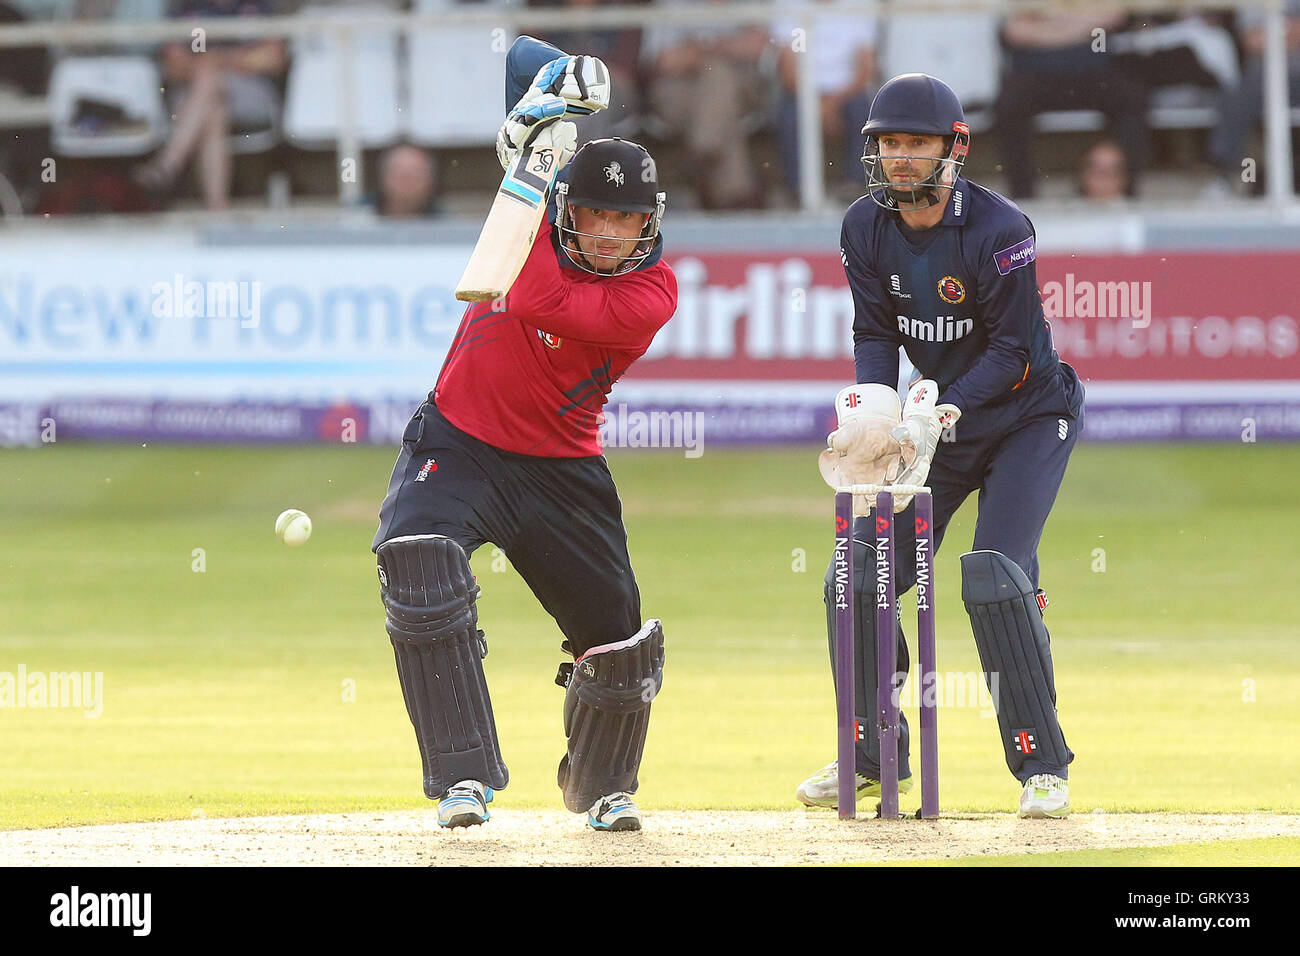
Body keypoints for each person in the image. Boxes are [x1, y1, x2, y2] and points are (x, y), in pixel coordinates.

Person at [371, 37, 677, 833]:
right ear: (570, 208)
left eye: (626, 219)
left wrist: (525, 166)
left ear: (649, 225)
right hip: (458, 440)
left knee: (616, 642)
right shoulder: (533, 206)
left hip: (559, 468)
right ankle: (463, 779)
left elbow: (536, 297)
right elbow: (522, 57)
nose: (608, 233)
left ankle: (604, 786)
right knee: (419, 564)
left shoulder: (650, 294)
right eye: (596, 214)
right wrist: (562, 84)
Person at [799, 73, 1085, 819]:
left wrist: (941, 408)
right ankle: (872, 754)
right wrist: (875, 413)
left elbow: (1016, 352)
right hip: (936, 423)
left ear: (954, 148)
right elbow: (874, 330)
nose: (900, 157)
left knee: (994, 576)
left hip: (1027, 416)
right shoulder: (864, 225)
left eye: (917, 143)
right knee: (854, 576)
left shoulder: (1001, 230)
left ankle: (1041, 767)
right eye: (888, 142)